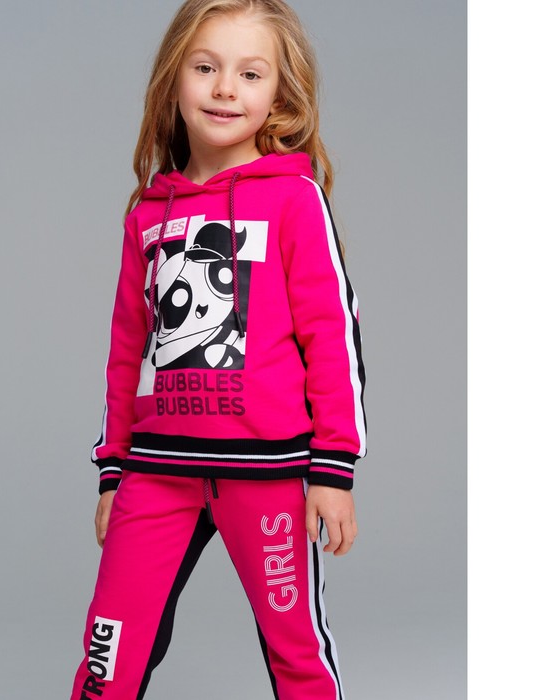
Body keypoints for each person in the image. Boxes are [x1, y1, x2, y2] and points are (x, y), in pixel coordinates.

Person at [71, 1, 366, 698]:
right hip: (156, 472)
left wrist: (334, 468)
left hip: (266, 473)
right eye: (206, 68)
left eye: (250, 73)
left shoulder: (294, 200)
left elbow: (332, 334)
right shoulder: (148, 215)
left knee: (297, 651)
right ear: (175, 79)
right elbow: (127, 350)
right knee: (108, 651)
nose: (226, 88)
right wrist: (113, 472)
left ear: (279, 96)